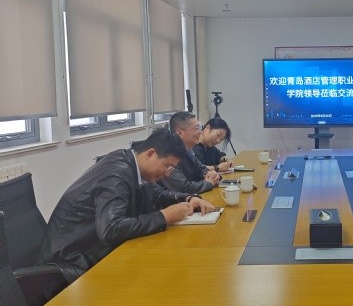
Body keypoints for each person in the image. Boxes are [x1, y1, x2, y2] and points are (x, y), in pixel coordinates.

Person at [37, 128, 216, 283]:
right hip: (71, 259)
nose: (167, 173)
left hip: (96, 250)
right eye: (167, 166)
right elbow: (111, 229)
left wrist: (189, 198)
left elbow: (157, 195)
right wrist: (164, 217)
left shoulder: (134, 165)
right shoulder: (116, 174)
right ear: (150, 154)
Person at [159, 111, 221, 194]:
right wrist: (208, 183)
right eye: (196, 128)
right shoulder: (169, 155)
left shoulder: (188, 150)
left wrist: (210, 174)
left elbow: (200, 168)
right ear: (180, 133)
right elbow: (184, 188)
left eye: (199, 128)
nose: (200, 132)